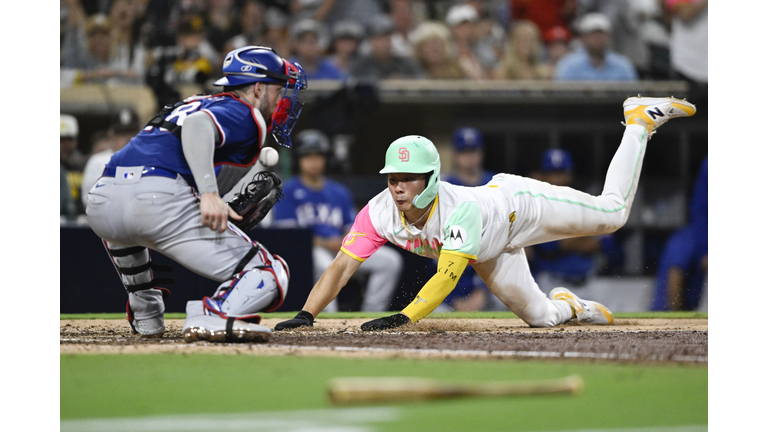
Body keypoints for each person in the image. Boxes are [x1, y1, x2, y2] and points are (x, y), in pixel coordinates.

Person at [275, 96, 697, 331]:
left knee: (614, 214)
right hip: (492, 250)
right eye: (391, 177)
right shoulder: (379, 211)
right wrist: (306, 313)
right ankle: (571, 306)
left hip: (519, 208)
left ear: (433, 177)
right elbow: (341, 267)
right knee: (541, 318)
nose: (398, 186)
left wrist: (406, 316)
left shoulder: (460, 211)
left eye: (409, 177)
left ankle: (638, 121)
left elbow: (447, 275)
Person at [85, 46, 308, 341]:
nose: (281, 100)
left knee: (127, 228)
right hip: (157, 201)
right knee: (270, 271)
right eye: (278, 90)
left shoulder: (193, 102)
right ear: (258, 87)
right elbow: (197, 126)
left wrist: (210, 194)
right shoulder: (244, 112)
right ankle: (215, 315)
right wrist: (209, 194)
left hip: (102, 200)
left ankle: (146, 310)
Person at [271, 129, 404, 312]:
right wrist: (327, 243)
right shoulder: (289, 191)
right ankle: (327, 318)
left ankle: (371, 314)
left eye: (318, 156)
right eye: (308, 156)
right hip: (311, 250)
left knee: (390, 261)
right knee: (325, 265)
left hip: (341, 246)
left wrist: (343, 241)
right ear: (298, 160)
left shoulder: (339, 192)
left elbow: (354, 228)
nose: (314, 162)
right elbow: (291, 236)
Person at [527, 149, 624, 295]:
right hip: (550, 282)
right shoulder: (537, 206)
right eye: (552, 173)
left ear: (570, 175)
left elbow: (609, 244)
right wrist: (584, 235)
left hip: (586, 283)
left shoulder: (583, 201)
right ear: (543, 176)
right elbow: (546, 246)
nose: (557, 179)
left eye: (561, 173)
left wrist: (564, 237)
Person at [651, 156, 708, 311]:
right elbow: (674, 275)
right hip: (665, 315)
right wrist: (677, 317)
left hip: (686, 310)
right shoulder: (689, 237)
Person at [81, 108, 142, 208]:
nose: (128, 138)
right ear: (111, 135)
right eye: (122, 134)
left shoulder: (147, 160)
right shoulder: (98, 161)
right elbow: (89, 199)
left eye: (132, 133)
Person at [553, 12, 638, 81]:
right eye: (593, 34)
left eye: (601, 34)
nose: (597, 38)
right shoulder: (568, 65)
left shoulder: (623, 65)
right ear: (583, 38)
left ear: (608, 37)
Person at [350, 14, 423, 81]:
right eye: (379, 38)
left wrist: (403, 81)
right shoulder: (361, 66)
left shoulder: (404, 63)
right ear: (371, 40)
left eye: (387, 38)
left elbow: (419, 80)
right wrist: (386, 82)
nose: (384, 43)